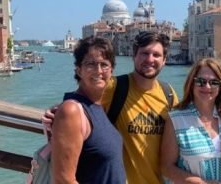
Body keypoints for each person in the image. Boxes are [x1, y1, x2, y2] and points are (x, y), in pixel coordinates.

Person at [44, 31, 178, 184]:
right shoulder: (114, 87)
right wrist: (57, 112)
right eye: (144, 53)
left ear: (164, 60)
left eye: (156, 55)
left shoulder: (169, 94)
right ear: (133, 56)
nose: (150, 59)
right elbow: (81, 101)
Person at [51, 36, 125, 183]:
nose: (98, 71)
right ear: (79, 70)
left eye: (104, 64)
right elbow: (64, 180)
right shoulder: (72, 111)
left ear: (111, 71)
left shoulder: (98, 107)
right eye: (91, 64)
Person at [160, 58, 221, 184]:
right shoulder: (176, 120)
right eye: (200, 81)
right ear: (191, 83)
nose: (207, 86)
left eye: (214, 82)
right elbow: (166, 167)